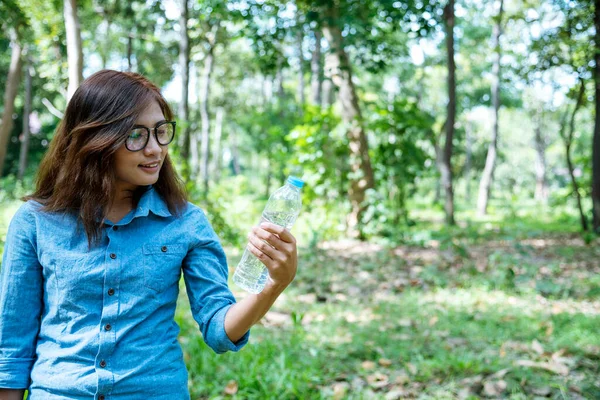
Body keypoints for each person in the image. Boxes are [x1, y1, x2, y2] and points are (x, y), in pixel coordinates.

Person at [0, 70, 298, 400]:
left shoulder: (187, 223)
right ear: (95, 138)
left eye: (160, 132)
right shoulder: (35, 222)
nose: (155, 149)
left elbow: (218, 328)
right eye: (137, 135)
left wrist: (275, 284)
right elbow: (12, 345)